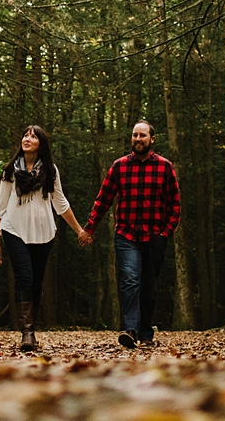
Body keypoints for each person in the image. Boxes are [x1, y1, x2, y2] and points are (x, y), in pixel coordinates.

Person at [81, 120, 181, 348]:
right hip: (126, 235)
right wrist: (90, 227)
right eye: (135, 135)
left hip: (155, 235)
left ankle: (146, 333)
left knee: (149, 285)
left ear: (152, 139)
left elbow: (175, 205)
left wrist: (165, 233)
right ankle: (130, 330)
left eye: (142, 135)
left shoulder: (165, 167)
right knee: (129, 280)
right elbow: (103, 199)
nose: (138, 139)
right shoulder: (119, 166)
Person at [0, 124, 90, 351]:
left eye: (33, 136)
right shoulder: (10, 171)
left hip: (43, 232)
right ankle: (27, 333)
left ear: (41, 144)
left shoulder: (50, 171)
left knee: (36, 282)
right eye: (25, 135)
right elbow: (0, 207)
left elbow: (61, 203)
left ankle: (32, 329)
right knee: (24, 277)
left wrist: (79, 231)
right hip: (13, 229)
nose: (27, 138)